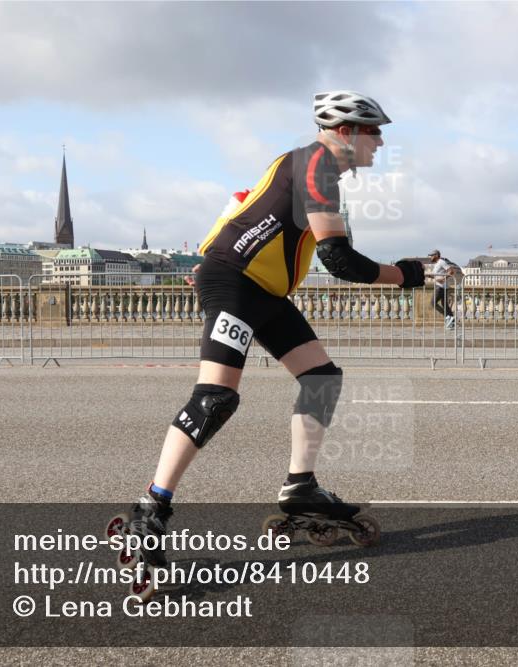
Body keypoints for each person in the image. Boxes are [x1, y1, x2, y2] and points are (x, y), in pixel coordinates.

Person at [124, 91, 427, 566]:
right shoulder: (317, 165)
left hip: (264, 292)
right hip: (234, 284)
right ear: (346, 131)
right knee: (215, 399)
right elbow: (339, 259)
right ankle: (151, 508)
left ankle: (300, 486)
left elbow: (242, 205)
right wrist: (408, 275)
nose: (382, 141)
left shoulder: (304, 165)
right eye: (374, 130)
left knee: (322, 378)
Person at [429, 249, 462, 330]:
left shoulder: (441, 262)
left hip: (440, 287)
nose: (430, 257)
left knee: (433, 303)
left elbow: (451, 271)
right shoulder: (437, 264)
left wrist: (444, 278)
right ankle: (452, 324)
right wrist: (428, 275)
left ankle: (448, 317)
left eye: (432, 255)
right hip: (443, 286)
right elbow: (435, 275)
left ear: (436, 255)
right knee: (445, 306)